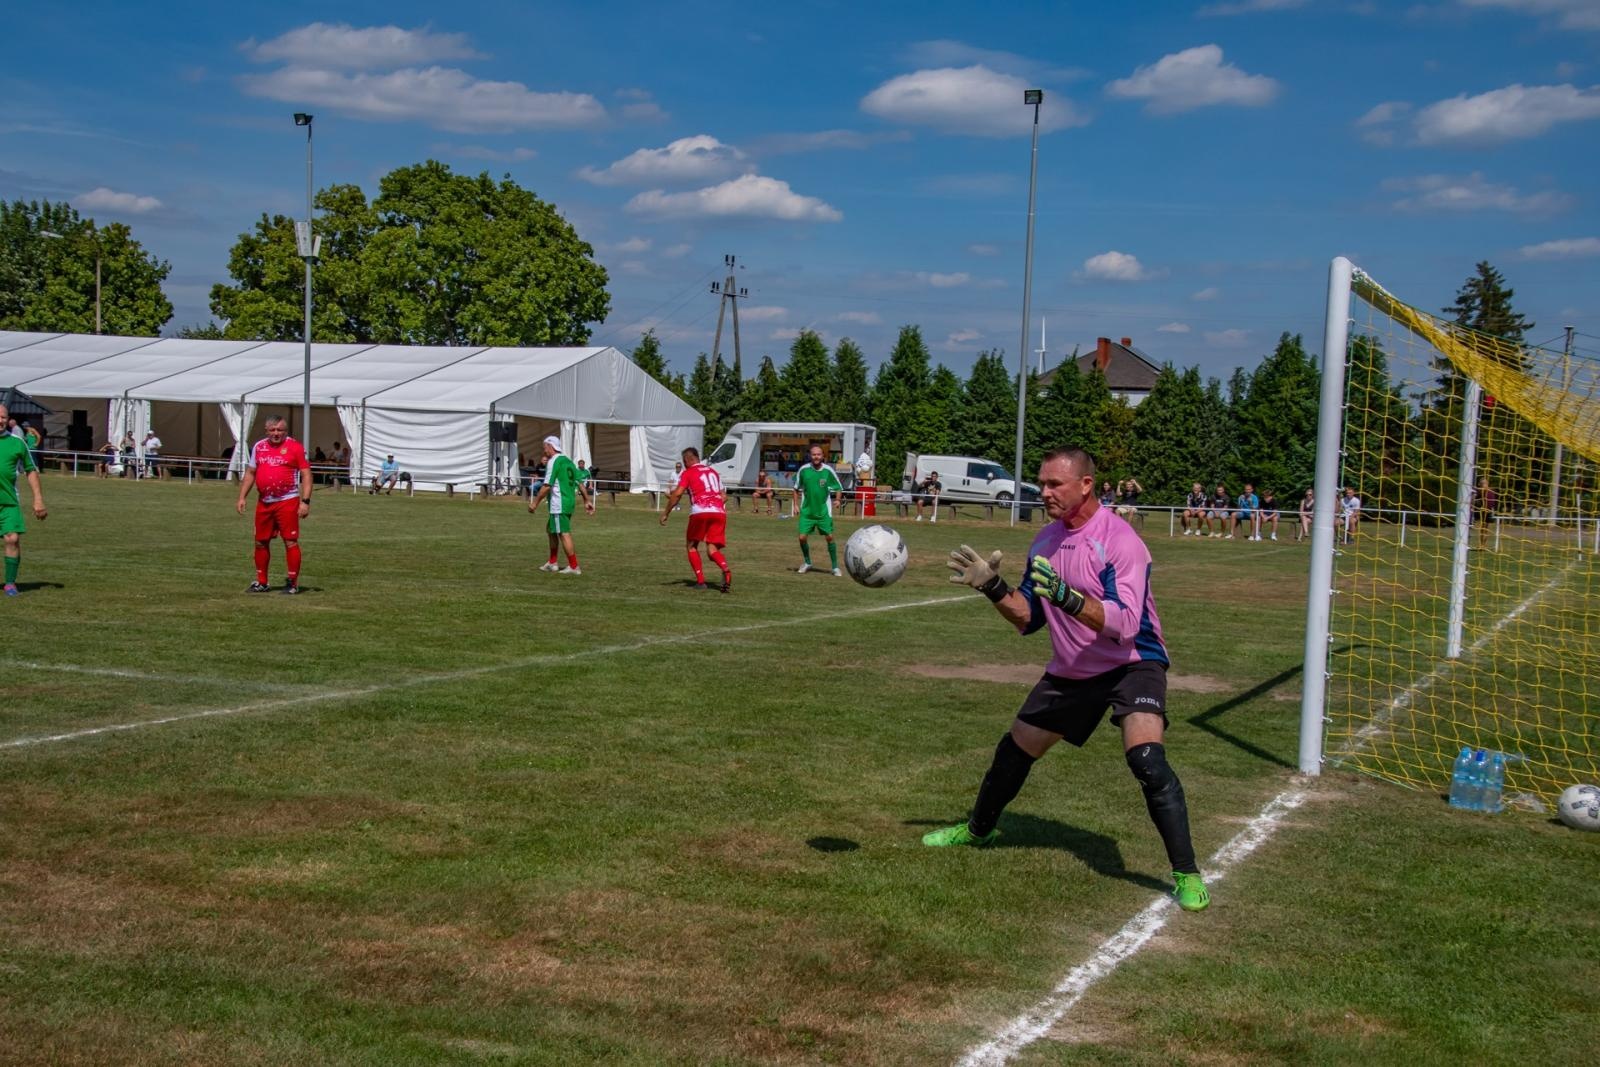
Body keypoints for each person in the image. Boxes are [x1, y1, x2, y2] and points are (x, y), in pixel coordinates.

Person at [932, 446, 1208, 912]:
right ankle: (979, 830)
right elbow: (1028, 619)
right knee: (1015, 749)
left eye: (1054, 484)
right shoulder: (1045, 542)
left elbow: (1123, 622)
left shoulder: (1120, 541)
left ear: (1086, 485)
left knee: (1146, 759)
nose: (1044, 493)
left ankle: (1187, 874)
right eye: (1042, 484)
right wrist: (993, 587)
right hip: (1073, 667)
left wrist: (1069, 597)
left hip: (1132, 662)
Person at [235, 414, 311, 594]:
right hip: (264, 502)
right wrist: (242, 497)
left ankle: (292, 583)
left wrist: (305, 501)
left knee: (290, 541)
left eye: (280, 430)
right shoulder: (259, 447)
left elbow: (306, 474)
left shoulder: (295, 447)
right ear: (266, 431)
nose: (276, 433)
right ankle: (262, 582)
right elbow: (251, 472)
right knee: (260, 542)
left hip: (287, 501)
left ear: (286, 431)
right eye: (273, 430)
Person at [660, 446, 732, 592]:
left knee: (691, 546)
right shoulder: (713, 472)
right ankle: (726, 569)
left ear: (687, 460)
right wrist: (714, 505)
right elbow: (724, 496)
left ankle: (700, 582)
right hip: (719, 512)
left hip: (700, 512)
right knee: (712, 550)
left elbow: (677, 494)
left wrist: (666, 512)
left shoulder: (688, 473)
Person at [0, 403, 48, 597]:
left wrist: (38, 500)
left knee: (12, 538)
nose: (0, 420)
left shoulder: (17, 442)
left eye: (3, 417)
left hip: (9, 501)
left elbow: (30, 471)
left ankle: (10, 583)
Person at [529, 435, 594, 575]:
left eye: (545, 447)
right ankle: (552, 562)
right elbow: (580, 482)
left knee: (563, 533)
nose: (544, 450)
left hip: (559, 502)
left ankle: (574, 566)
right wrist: (587, 500)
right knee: (550, 529)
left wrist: (535, 502)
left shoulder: (554, 462)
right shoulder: (568, 461)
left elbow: (547, 486)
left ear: (551, 446)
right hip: (569, 502)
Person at [793, 444, 844, 575]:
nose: (816, 457)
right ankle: (807, 562)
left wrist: (837, 500)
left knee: (830, 537)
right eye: (814, 454)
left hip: (823, 512)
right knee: (802, 538)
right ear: (810, 455)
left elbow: (838, 487)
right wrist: (796, 505)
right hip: (807, 512)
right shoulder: (804, 470)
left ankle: (834, 567)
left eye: (818, 454)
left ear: (822, 456)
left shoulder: (828, 471)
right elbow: (796, 488)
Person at [1474, 477, 1498, 550]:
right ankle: (1481, 544)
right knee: (1482, 528)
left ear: (1486, 484)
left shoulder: (1490, 492)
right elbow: (1476, 499)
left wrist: (1488, 509)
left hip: (1487, 511)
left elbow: (1492, 503)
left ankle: (1483, 545)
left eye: (1483, 484)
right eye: (1481, 484)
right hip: (1482, 511)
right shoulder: (1480, 491)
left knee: (1485, 528)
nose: (1481, 485)